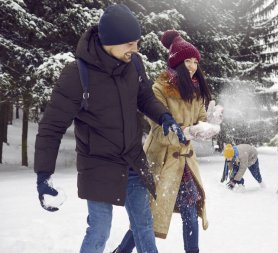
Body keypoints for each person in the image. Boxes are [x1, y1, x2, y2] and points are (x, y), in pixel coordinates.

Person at [34, 5, 186, 253]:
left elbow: (144, 96)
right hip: (98, 164)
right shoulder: (77, 74)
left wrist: (164, 116)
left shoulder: (134, 64)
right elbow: (51, 127)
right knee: (99, 230)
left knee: (144, 225)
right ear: (109, 41)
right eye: (129, 44)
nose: (135, 49)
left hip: (133, 159)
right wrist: (43, 175)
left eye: (136, 42)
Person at [114, 30, 221, 253]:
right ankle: (121, 251)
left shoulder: (197, 90)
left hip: (184, 163)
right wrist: (188, 131)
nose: (192, 66)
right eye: (187, 61)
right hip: (160, 162)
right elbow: (158, 128)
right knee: (148, 215)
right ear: (176, 62)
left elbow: (200, 119)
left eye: (195, 61)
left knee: (191, 206)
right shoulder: (159, 88)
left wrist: (209, 123)